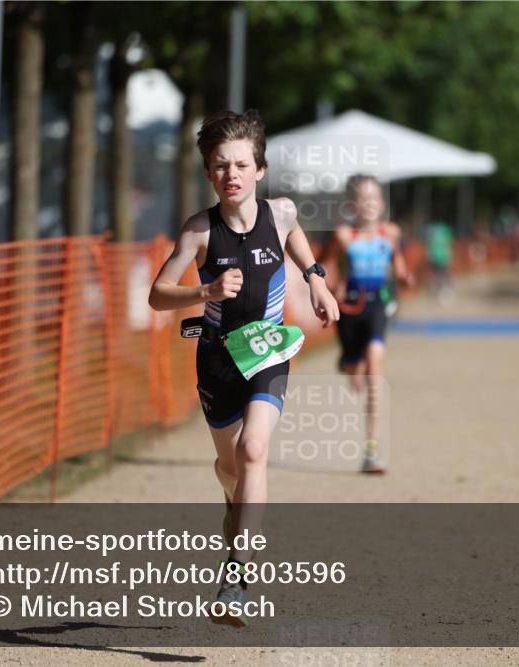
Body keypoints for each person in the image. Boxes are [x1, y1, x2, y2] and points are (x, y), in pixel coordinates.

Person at [148, 110, 340, 626]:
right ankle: (232, 501)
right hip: (216, 361)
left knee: (255, 450)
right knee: (232, 470)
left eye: (240, 164)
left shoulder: (279, 214)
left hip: (269, 351)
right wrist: (204, 291)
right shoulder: (199, 231)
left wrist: (316, 279)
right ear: (209, 173)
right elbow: (157, 296)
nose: (230, 174)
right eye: (219, 166)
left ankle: (236, 577)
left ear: (259, 169)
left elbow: (297, 234)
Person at [322, 174, 411, 474]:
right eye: (363, 198)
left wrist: (403, 275)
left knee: (375, 369)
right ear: (352, 205)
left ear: (382, 203)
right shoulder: (344, 235)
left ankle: (372, 448)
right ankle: (350, 362)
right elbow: (325, 264)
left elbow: (397, 261)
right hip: (349, 308)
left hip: (376, 305)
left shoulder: (391, 233)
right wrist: (330, 287)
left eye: (374, 197)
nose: (369, 203)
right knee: (353, 367)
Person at [425, 219, 454, 304]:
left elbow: (449, 244)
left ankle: (443, 291)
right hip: (438, 257)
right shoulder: (440, 230)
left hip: (440, 257)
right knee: (440, 275)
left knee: (442, 275)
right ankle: (440, 292)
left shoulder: (433, 230)